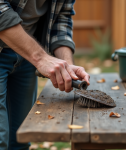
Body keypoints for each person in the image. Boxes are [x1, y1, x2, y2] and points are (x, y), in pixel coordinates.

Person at [0, 0, 90, 149]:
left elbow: (61, 17)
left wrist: (67, 65)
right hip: (28, 51)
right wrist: (41, 58)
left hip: (27, 54)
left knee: (20, 139)